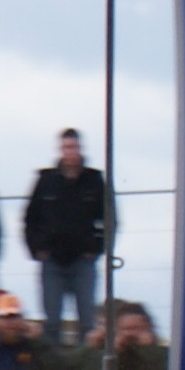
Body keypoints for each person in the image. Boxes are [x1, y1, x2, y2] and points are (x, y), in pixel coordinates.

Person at [23, 127, 111, 345]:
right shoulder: (46, 181)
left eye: (73, 147)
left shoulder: (94, 180)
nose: (70, 152)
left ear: (80, 149)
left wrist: (97, 248)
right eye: (66, 147)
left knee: (86, 322)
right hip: (52, 260)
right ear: (60, 150)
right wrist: (37, 249)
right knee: (51, 322)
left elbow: (110, 219)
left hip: (83, 260)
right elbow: (30, 218)